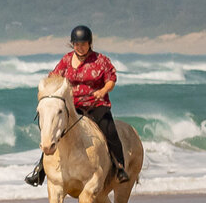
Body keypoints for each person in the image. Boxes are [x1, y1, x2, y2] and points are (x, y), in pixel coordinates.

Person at [25, 25, 129, 186]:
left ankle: (120, 167)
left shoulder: (100, 60)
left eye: (83, 44)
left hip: (96, 104)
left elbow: (111, 79)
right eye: (77, 44)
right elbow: (53, 77)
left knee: (109, 130)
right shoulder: (66, 60)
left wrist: (103, 90)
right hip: (73, 106)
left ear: (90, 43)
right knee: (52, 132)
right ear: (73, 44)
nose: (80, 47)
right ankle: (40, 171)